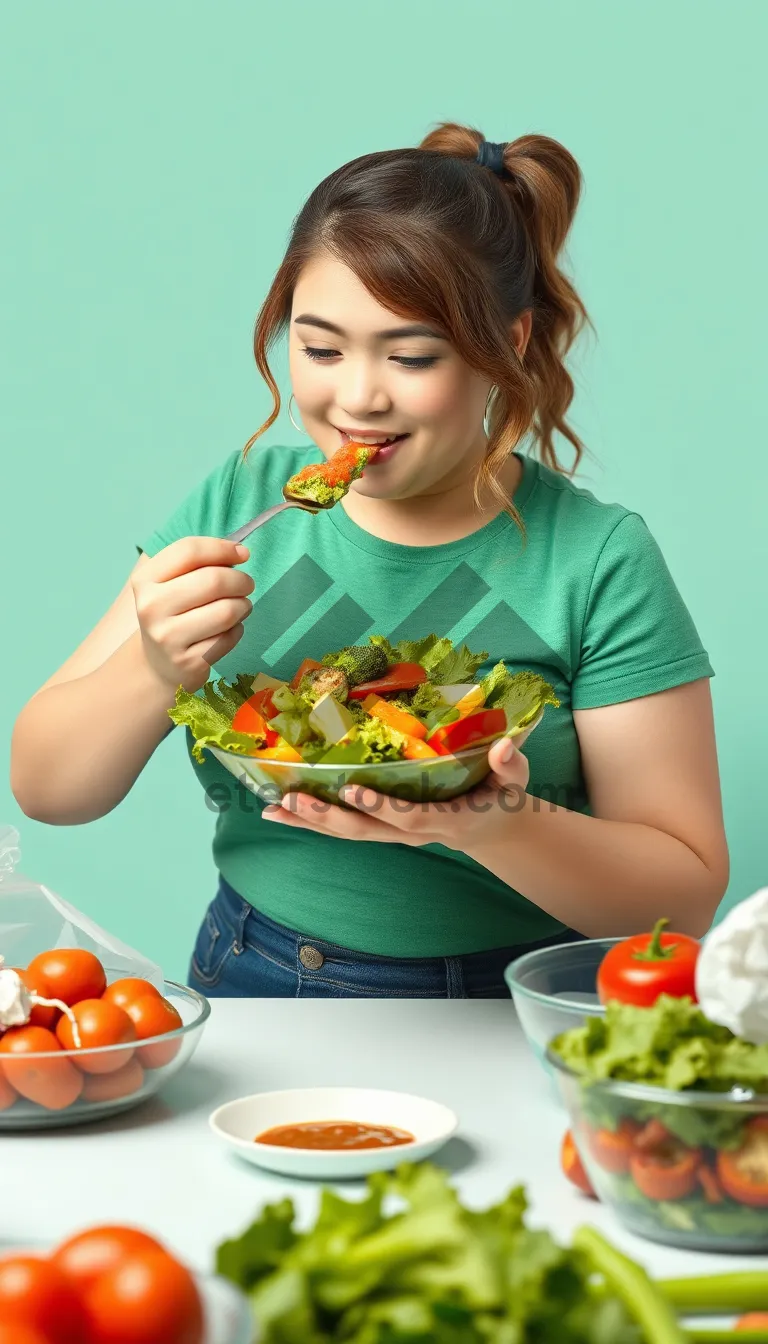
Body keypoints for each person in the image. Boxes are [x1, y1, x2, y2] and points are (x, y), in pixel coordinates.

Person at [10, 122, 729, 999]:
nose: (357, 396)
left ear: (510, 342)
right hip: (253, 969)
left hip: (510, 999)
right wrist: (152, 665)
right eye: (319, 349)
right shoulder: (241, 502)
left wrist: (490, 820)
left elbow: (683, 897)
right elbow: (47, 788)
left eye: (411, 355)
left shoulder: (597, 557)